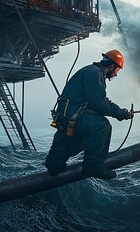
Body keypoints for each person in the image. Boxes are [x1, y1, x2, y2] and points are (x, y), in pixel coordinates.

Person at [44, 50, 132, 179]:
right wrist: (120, 113)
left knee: (74, 136)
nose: (116, 74)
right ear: (113, 66)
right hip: (74, 115)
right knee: (102, 126)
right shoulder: (95, 73)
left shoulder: (89, 71)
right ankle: (94, 166)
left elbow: (90, 102)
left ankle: (54, 164)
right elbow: (99, 103)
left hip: (64, 116)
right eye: (117, 70)